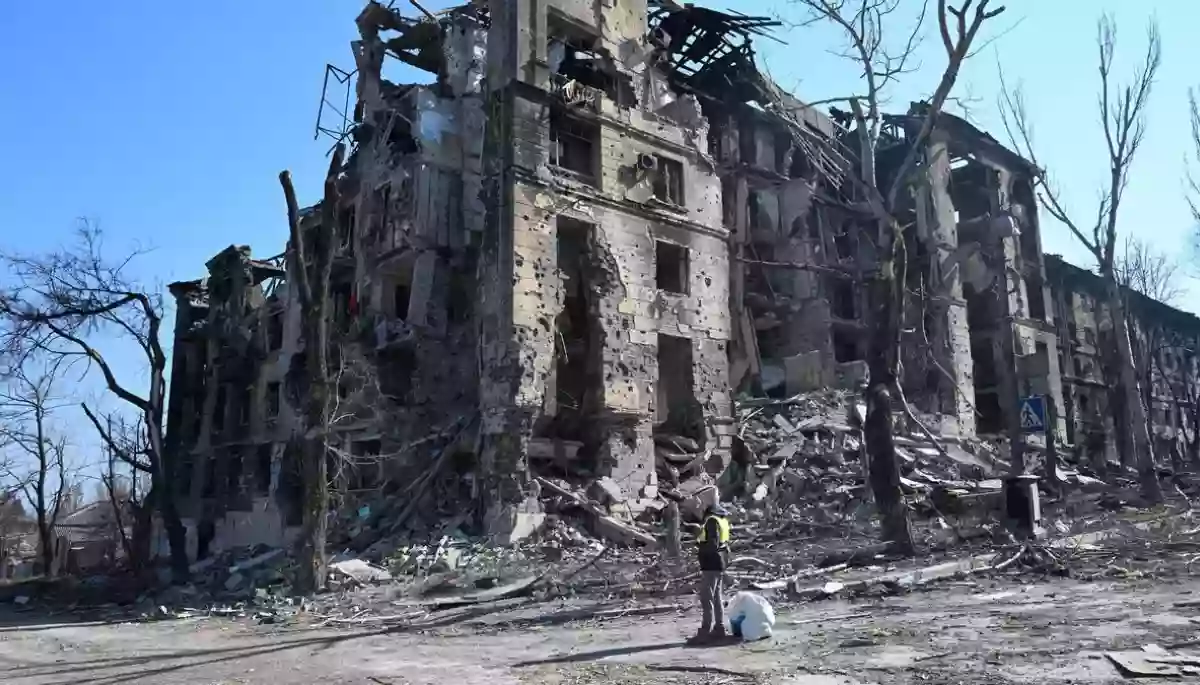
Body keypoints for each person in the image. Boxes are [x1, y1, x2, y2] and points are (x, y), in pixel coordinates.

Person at [688, 502, 731, 645]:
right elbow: (720, 543)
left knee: (707, 598)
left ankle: (705, 632)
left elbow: (712, 544)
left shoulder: (712, 522)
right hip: (718, 563)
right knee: (717, 597)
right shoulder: (722, 521)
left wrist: (700, 546)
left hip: (711, 564)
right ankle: (719, 628)